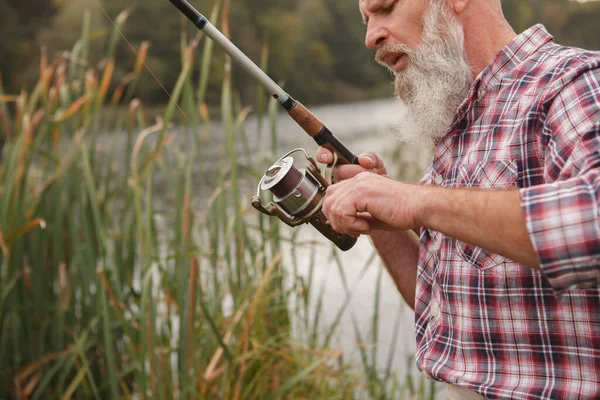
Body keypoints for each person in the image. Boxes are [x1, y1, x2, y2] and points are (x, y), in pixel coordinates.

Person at [317, 0, 600, 399]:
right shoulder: (459, 123)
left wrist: (416, 201)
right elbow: (450, 316)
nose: (371, 37)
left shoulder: (575, 82)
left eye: (386, 7)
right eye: (367, 21)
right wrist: (377, 214)